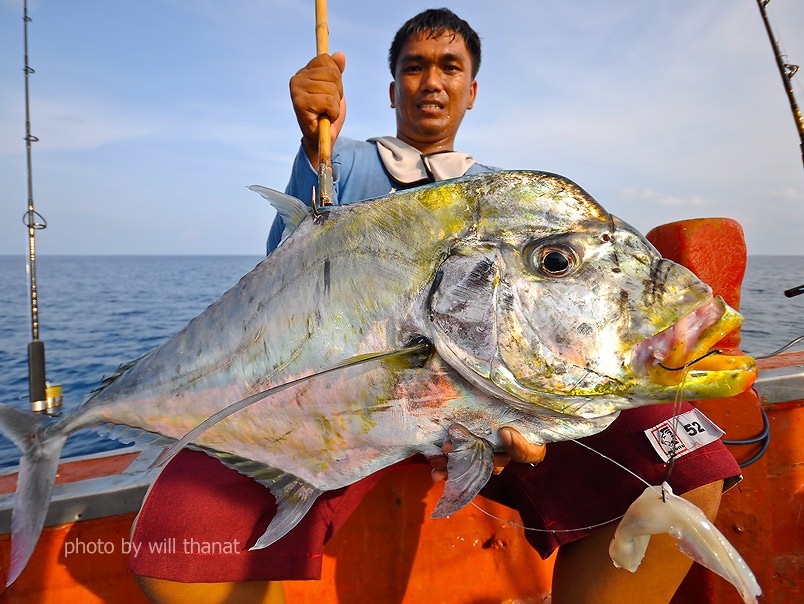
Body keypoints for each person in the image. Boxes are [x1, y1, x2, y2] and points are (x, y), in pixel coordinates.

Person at [132, 9, 741, 603]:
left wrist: (524, 409)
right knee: (176, 543)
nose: (431, 81)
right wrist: (310, 139)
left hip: (497, 398)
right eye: (414, 66)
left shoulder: (507, 195)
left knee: (683, 456)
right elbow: (282, 282)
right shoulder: (339, 161)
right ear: (392, 85)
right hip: (344, 410)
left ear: (470, 90)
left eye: (449, 67)